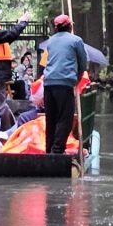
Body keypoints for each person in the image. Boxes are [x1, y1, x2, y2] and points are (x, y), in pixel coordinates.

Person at [42, 14, 88, 155]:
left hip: (48, 83)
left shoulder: (50, 42)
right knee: (65, 118)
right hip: (64, 84)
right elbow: (83, 64)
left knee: (51, 118)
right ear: (70, 26)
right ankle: (57, 150)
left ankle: (49, 149)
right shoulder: (76, 41)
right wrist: (77, 80)